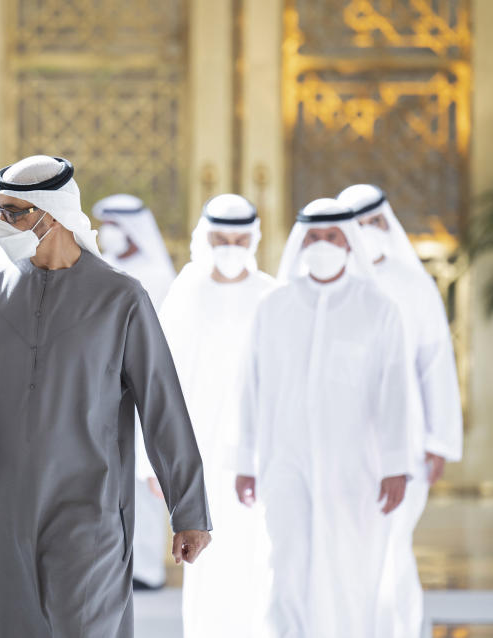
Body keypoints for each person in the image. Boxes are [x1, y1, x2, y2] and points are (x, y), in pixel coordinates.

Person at [0, 155, 211, 637]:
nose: (1, 225)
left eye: (13, 213)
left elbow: (161, 406)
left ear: (50, 214)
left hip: (89, 509)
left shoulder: (121, 298)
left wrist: (189, 510)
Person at [235, 198, 415, 637]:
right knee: (287, 565)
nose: (321, 245)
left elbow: (394, 393)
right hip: (284, 462)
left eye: (331, 237)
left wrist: (395, 465)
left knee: (349, 567)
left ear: (349, 243)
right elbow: (250, 388)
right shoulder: (273, 306)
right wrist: (245, 461)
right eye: (313, 237)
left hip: (354, 466)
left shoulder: (378, 308)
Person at [338, 184, 463, 636]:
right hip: (341, 441)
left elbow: (435, 365)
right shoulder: (330, 284)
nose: (366, 233)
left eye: (374, 224)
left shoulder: (412, 284)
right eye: (357, 225)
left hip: (404, 439)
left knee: (393, 550)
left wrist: (439, 440)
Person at [158, 194, 277, 637]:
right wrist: (159, 464)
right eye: (220, 238)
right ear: (204, 238)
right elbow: (159, 387)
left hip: (260, 452)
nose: (230, 247)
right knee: (205, 561)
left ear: (255, 238)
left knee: (260, 555)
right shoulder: (186, 293)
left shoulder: (271, 293)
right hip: (197, 454)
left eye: (240, 238)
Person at [93, 193, 177, 590]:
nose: (107, 230)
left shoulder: (157, 275)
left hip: (144, 385)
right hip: (102, 385)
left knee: (147, 478)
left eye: (115, 222)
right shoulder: (100, 268)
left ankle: (146, 567)